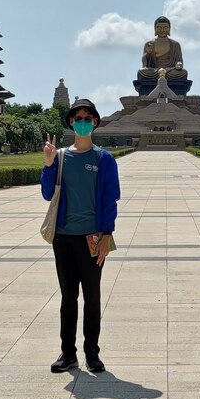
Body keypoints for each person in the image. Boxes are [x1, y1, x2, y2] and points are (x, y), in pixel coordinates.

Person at [41, 98, 120, 373]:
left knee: (93, 297)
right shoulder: (62, 156)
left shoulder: (104, 158)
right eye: (78, 118)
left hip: (92, 237)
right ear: (71, 123)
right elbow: (47, 194)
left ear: (95, 122)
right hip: (63, 237)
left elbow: (111, 198)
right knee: (67, 297)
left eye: (88, 117)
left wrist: (106, 235)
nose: (83, 121)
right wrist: (48, 165)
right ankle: (67, 354)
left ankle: (92, 353)